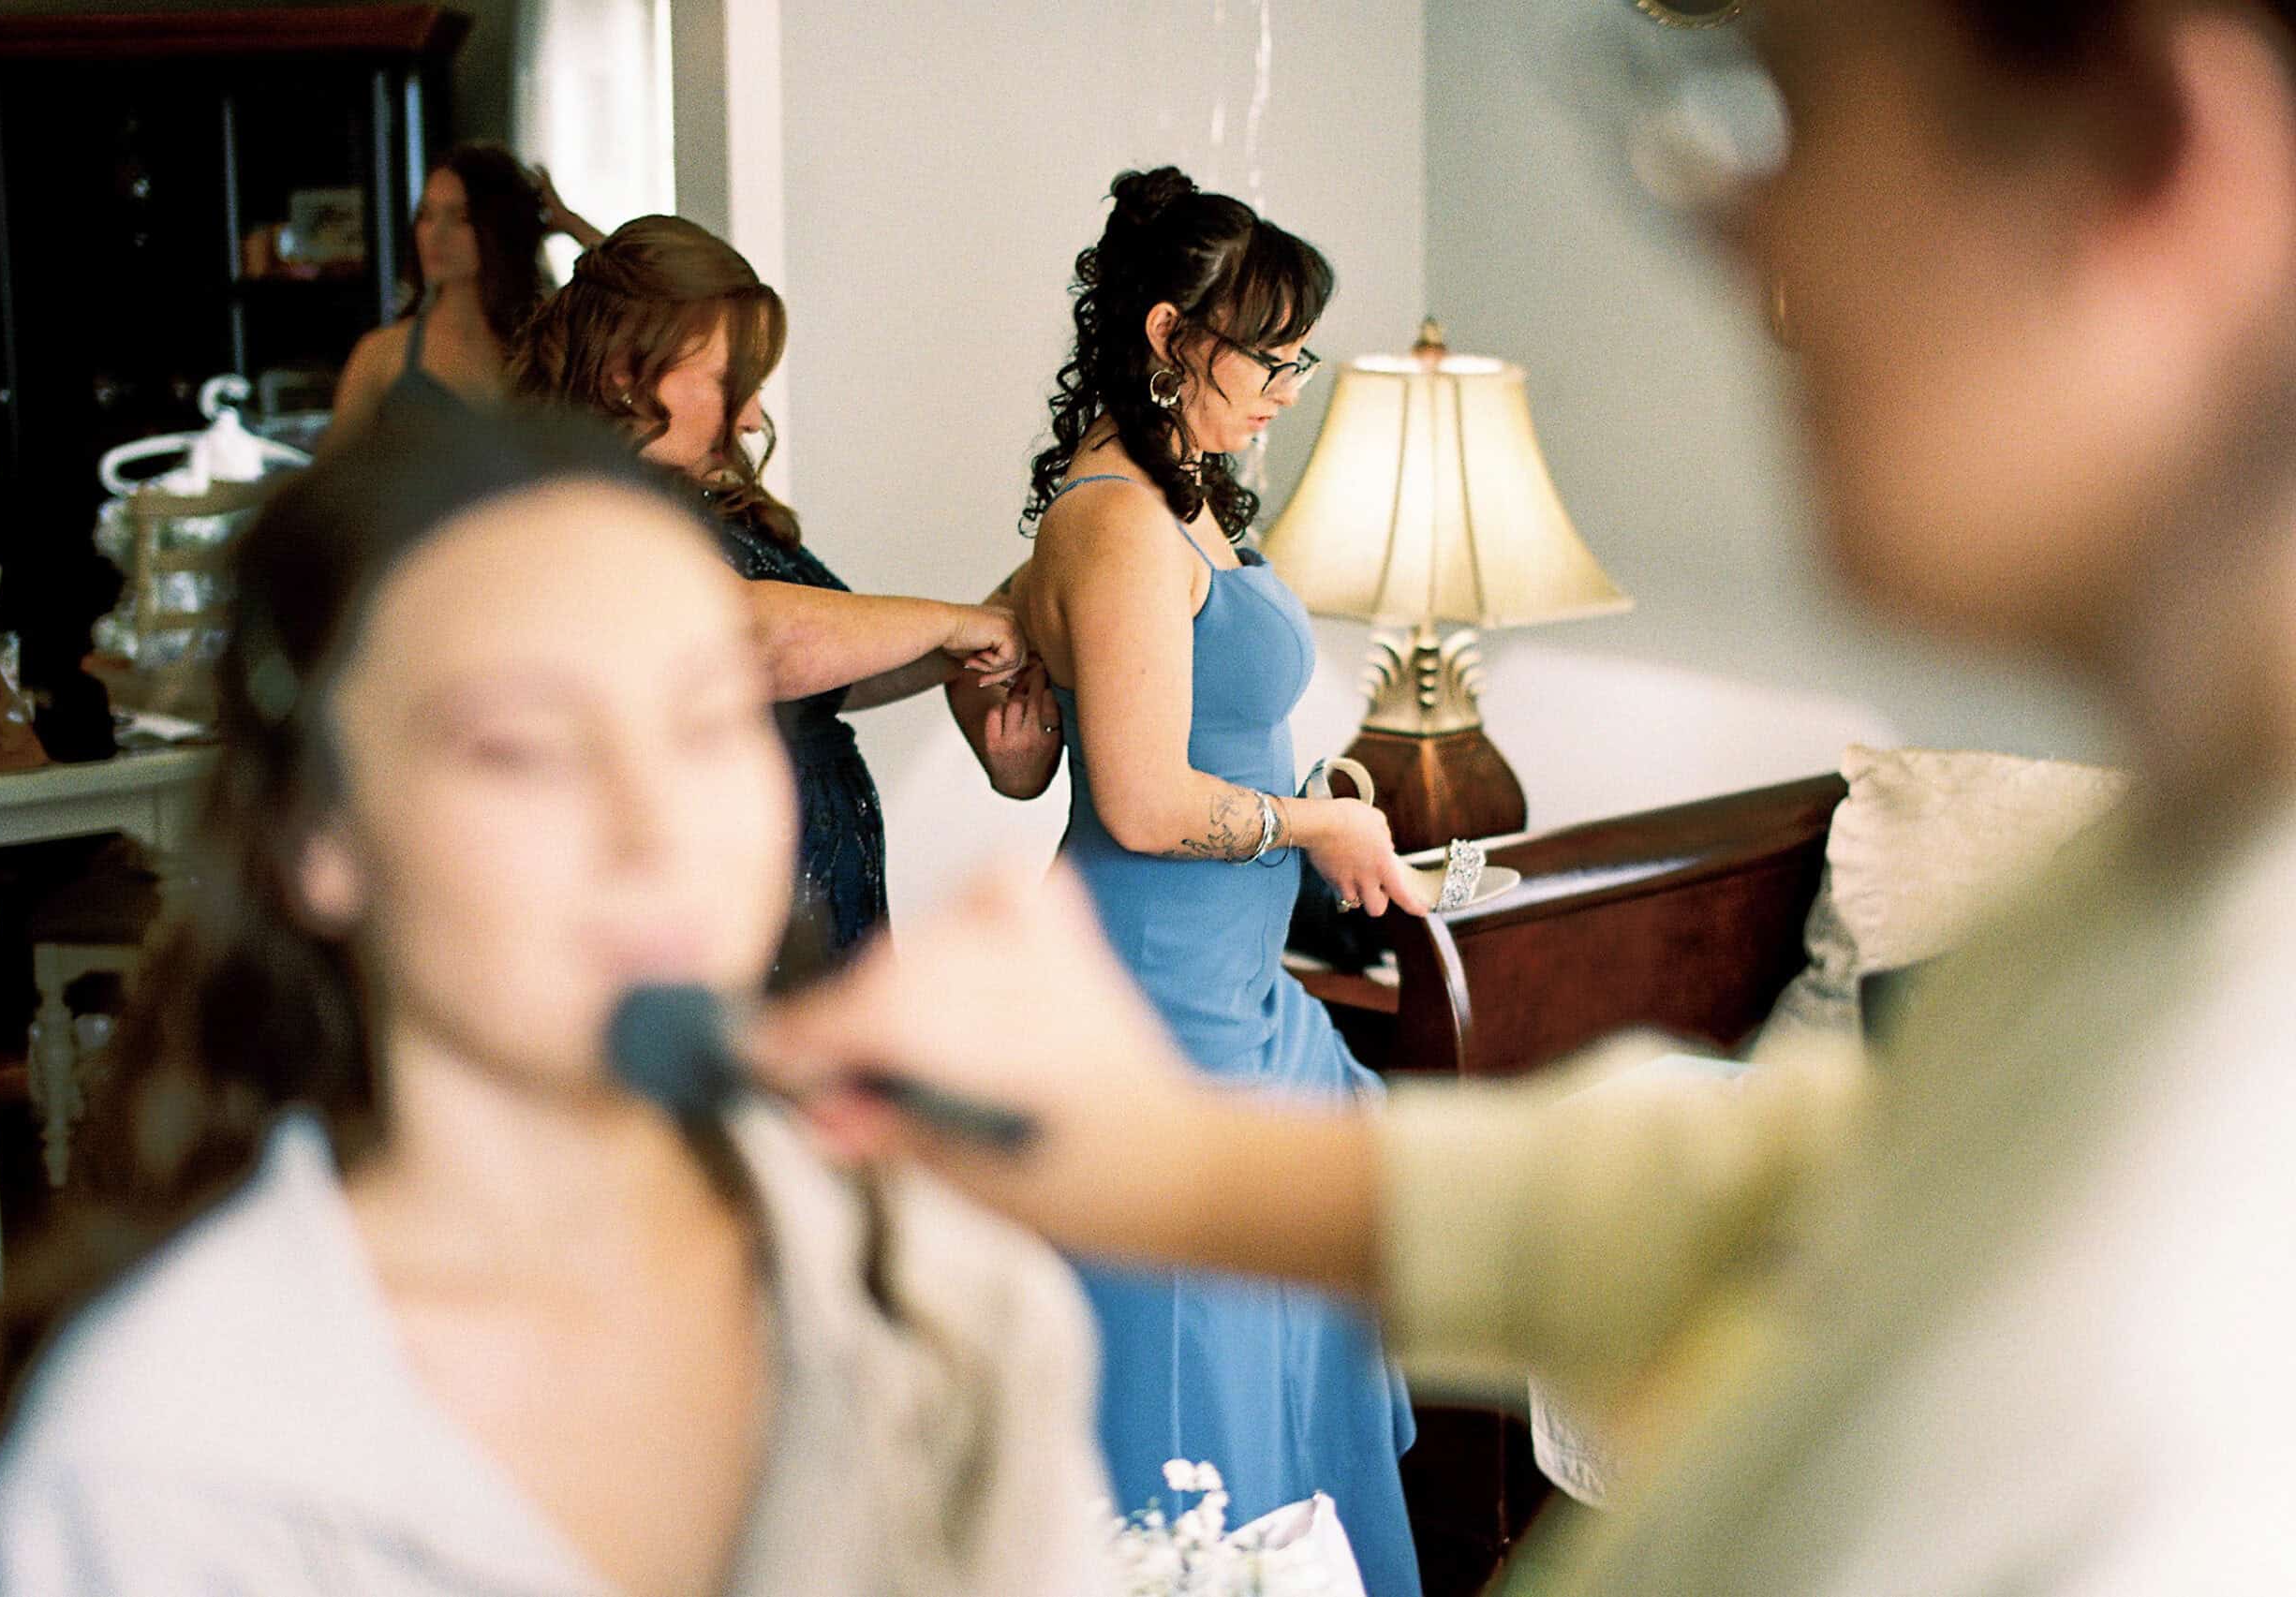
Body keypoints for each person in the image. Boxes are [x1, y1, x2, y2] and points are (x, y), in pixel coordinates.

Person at [760, 3, 2296, 1590]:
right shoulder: (2155, 902)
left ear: (2152, 147)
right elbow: (1823, 1194)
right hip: (1173, 988)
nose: (1738, 230)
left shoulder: (2173, 1284)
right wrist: (1185, 1164)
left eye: (1771, 111)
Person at [0, 404, 1110, 1595]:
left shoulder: (943, 1306)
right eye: (525, 745)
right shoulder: (156, 1480)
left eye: (709, 721)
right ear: (317, 832)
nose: (658, 828)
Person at [961, 165, 1430, 1597]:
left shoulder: (1187, 500)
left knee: (1276, 1346)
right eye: (1272, 355)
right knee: (1187, 1387)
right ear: (1171, 336)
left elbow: (1037, 762)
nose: (1292, 385)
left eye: (1302, 355)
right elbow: (1151, 805)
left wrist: (1308, 800)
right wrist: (1316, 828)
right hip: (1155, 996)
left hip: (1232, 989)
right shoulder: (1113, 522)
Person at [512, 215, 1027, 959]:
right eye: (730, 384)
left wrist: (993, 625)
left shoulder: (703, 498)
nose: (753, 416)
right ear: (626, 371)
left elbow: (828, 677)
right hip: (721, 914)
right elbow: (752, 643)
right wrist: (952, 624)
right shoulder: (586, 507)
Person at [324, 147, 604, 447]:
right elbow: (330, 484)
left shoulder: (547, 343)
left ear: (497, 228)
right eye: (426, 216)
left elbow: (642, 283)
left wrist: (567, 221)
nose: (436, 234)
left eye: (460, 218)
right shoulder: (382, 354)